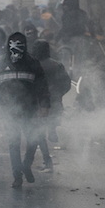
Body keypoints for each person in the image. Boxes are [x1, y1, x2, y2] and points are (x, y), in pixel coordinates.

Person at [0, 32, 50, 188]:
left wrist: (44, 105)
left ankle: (26, 165)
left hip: (29, 109)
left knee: (33, 140)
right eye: (13, 42)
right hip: (9, 110)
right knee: (13, 143)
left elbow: (42, 87)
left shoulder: (32, 63)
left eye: (19, 43)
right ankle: (17, 176)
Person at [31, 40, 71, 171]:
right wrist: (58, 94)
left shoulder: (33, 65)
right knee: (50, 123)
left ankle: (46, 161)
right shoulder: (57, 65)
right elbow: (67, 84)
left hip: (39, 104)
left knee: (39, 133)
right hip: (55, 102)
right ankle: (53, 129)